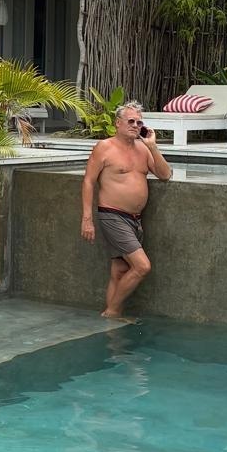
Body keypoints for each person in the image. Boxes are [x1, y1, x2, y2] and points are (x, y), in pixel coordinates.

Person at [80, 101, 172, 319]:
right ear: (118, 123)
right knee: (142, 266)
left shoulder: (143, 149)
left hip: (135, 219)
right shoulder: (105, 147)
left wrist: (152, 146)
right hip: (112, 216)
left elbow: (165, 175)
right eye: (130, 121)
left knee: (120, 270)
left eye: (139, 122)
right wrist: (87, 219)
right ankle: (112, 312)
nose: (135, 125)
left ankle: (112, 322)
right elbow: (89, 182)